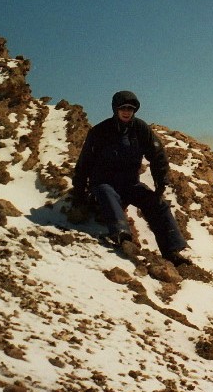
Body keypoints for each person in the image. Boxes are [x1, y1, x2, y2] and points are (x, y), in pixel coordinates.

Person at [71, 90, 190, 266]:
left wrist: (161, 179)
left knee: (158, 205)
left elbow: (157, 155)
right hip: (104, 182)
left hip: (130, 184)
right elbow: (84, 162)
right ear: (115, 109)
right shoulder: (100, 131)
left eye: (131, 108)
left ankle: (171, 251)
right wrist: (79, 192)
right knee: (107, 194)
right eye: (123, 108)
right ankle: (123, 238)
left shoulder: (140, 129)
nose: (127, 111)